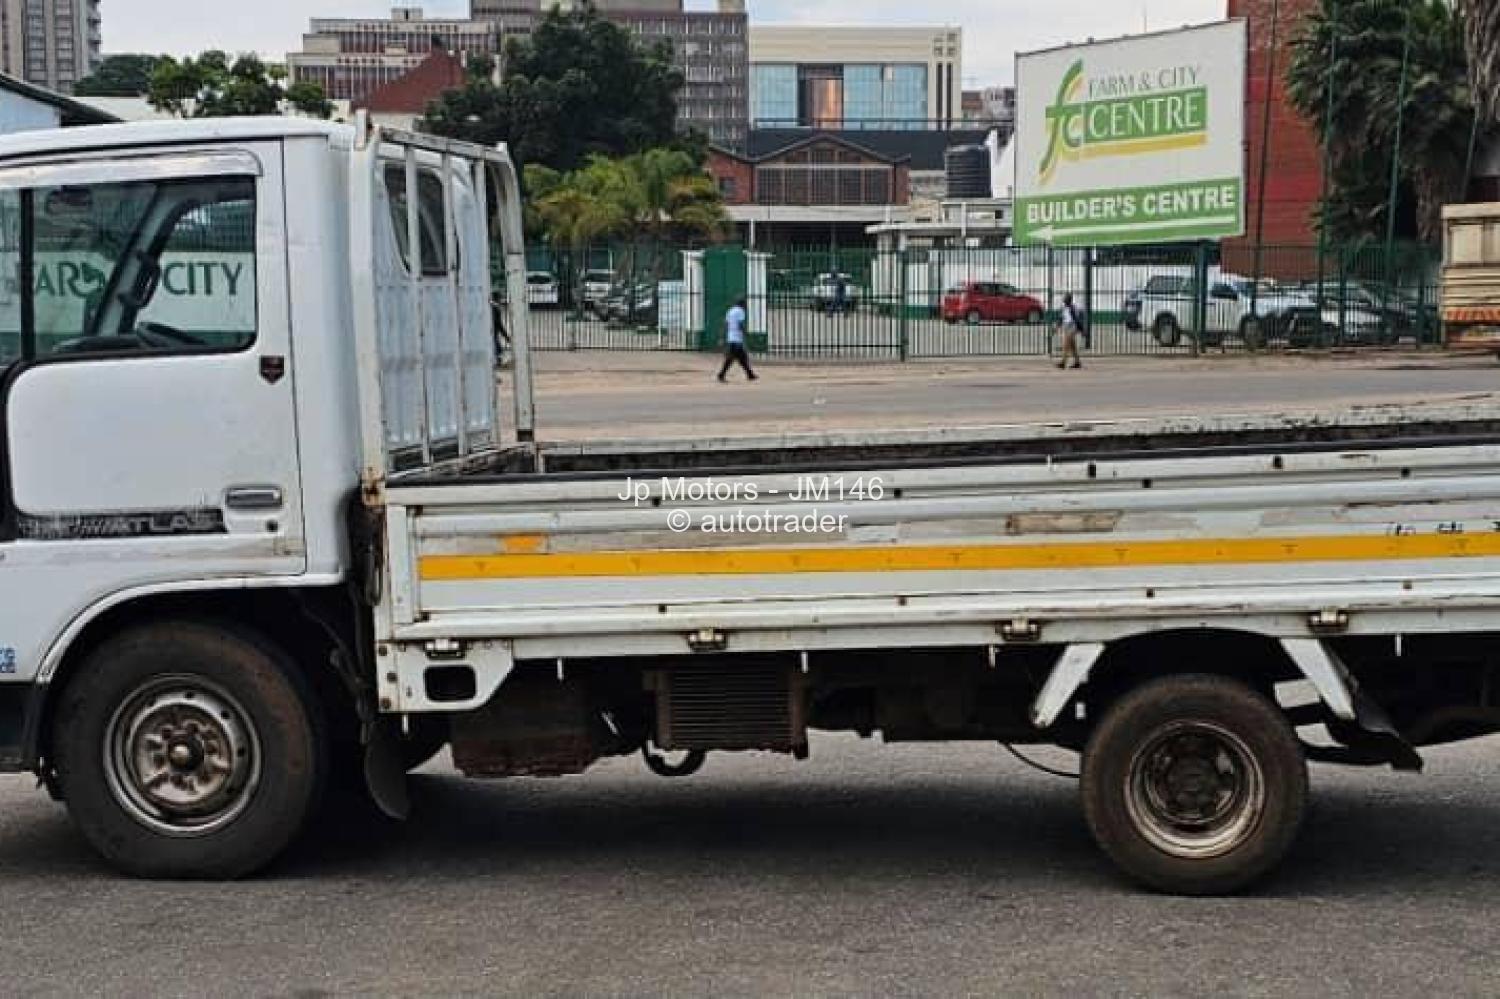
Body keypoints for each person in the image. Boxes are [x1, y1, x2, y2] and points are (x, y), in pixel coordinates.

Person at [717, 296, 758, 382]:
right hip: (737, 338)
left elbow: (726, 324)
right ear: (742, 304)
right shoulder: (740, 311)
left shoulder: (730, 311)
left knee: (742, 358)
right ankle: (721, 374)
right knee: (731, 358)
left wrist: (722, 336)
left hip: (731, 337)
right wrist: (745, 333)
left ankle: (750, 374)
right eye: (745, 304)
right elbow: (740, 324)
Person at [1057, 292, 1084, 370]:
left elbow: (1077, 319)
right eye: (1065, 299)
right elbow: (1061, 318)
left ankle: (1063, 362)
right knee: (1072, 346)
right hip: (1066, 327)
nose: (1065, 301)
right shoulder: (1063, 308)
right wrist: (1057, 326)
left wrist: (1081, 329)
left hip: (1072, 327)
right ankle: (1077, 362)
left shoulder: (1073, 308)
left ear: (1069, 300)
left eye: (1066, 299)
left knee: (1066, 344)